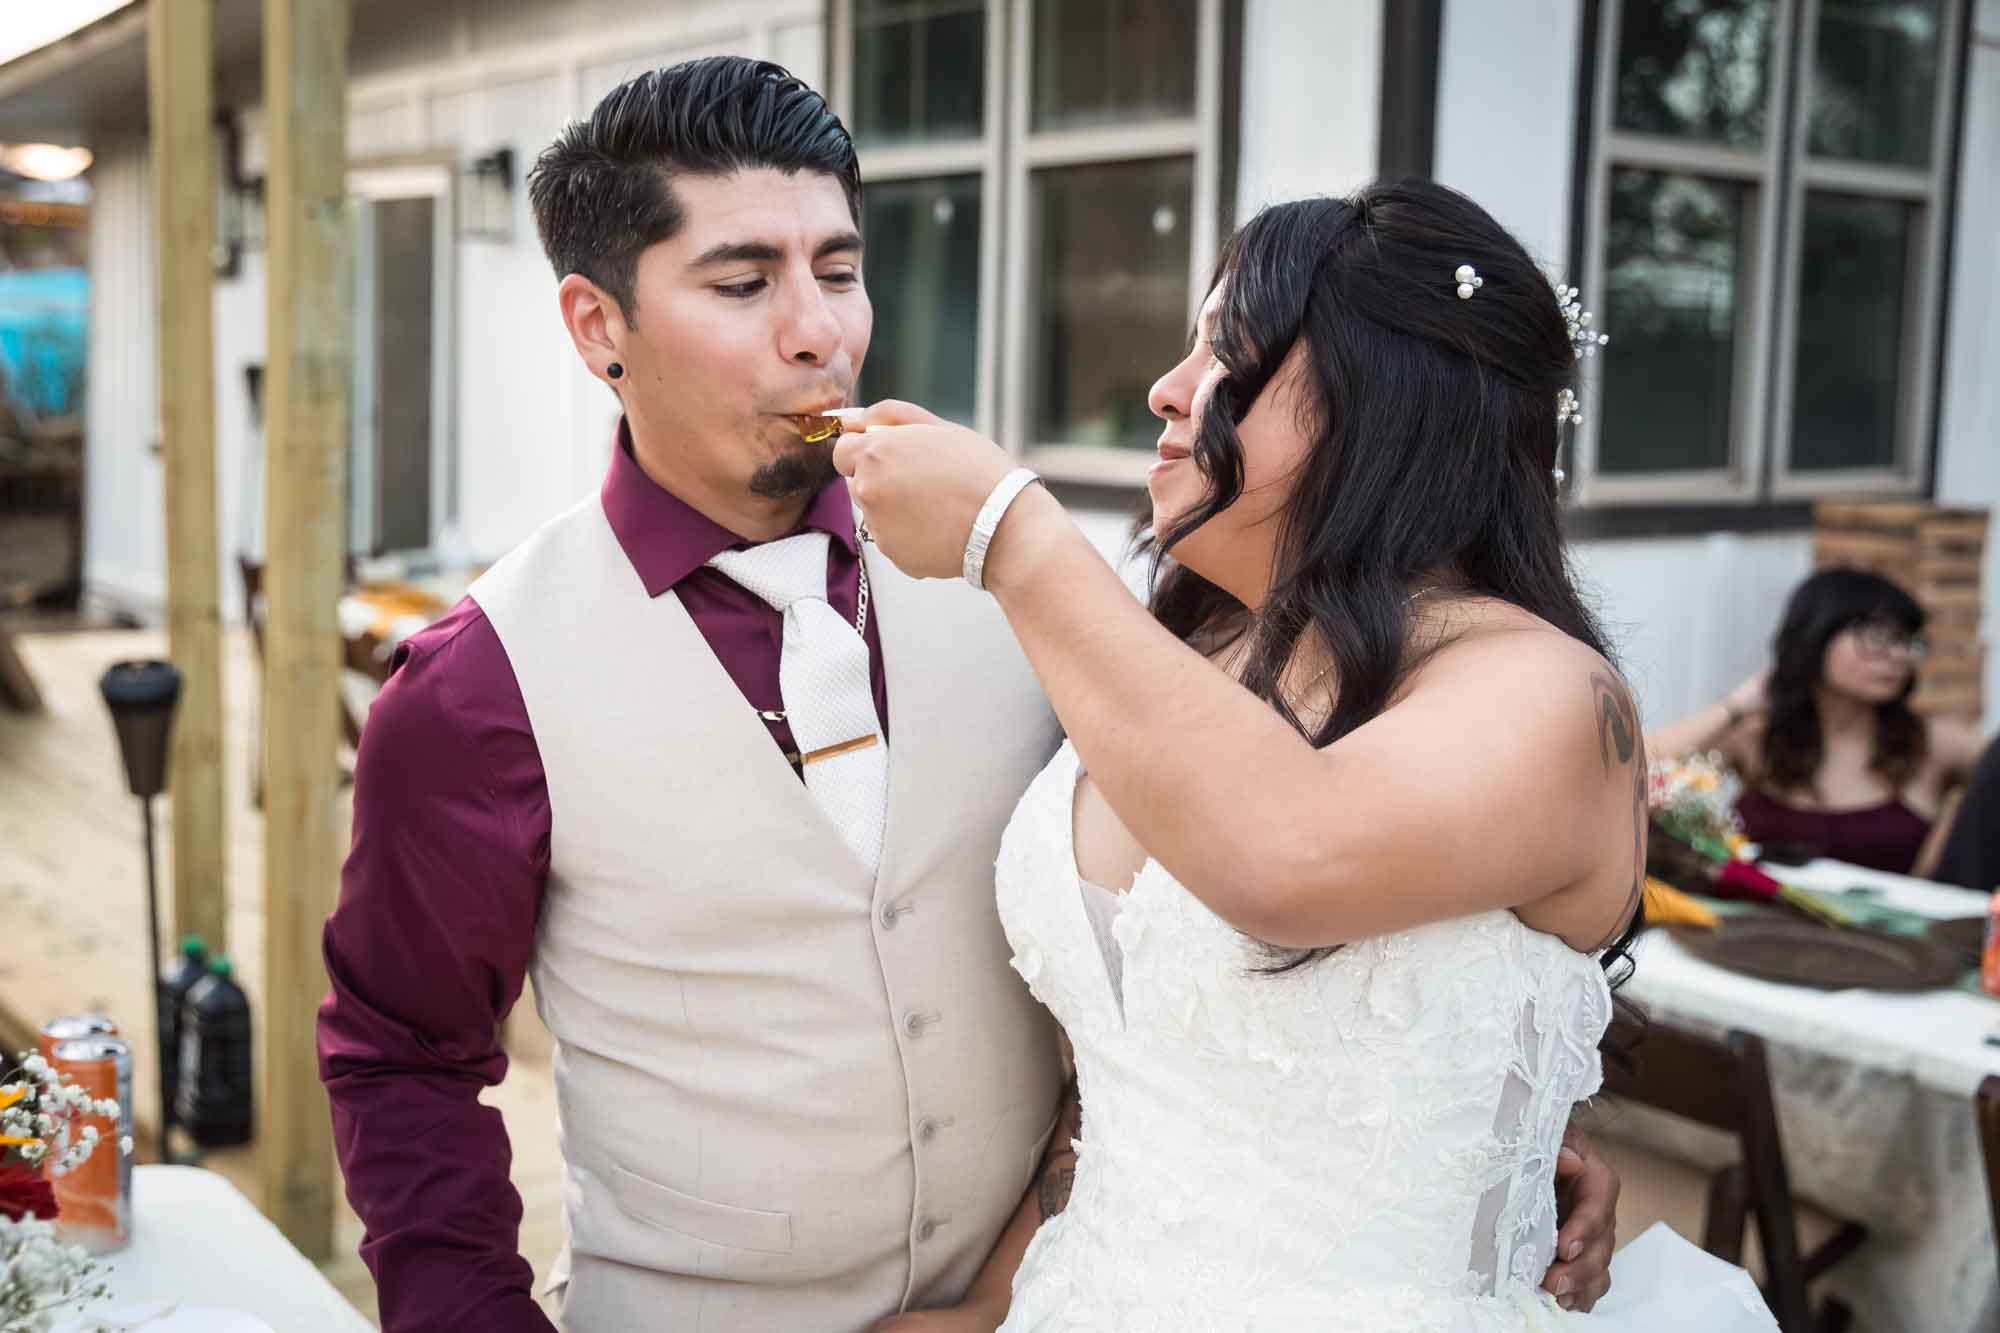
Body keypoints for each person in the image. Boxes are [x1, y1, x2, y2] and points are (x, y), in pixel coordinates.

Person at [316, 60, 1621, 1332]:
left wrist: (1482, 1139)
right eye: (743, 281)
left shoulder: (1054, 606)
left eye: (837, 270)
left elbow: (1264, 904)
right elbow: (400, 1058)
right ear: (600, 324)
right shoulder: (480, 685)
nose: (818, 330)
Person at [832, 180, 1774, 1328]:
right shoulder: (1192, 650)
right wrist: (985, 1304)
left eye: (1224, 352)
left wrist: (1010, 533)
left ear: (1387, 403)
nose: (1165, 392)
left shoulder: (1548, 696)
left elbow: (1285, 857)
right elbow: (1143, 1085)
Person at [1649, 569, 1986, 875]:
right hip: (1754, 933)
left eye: (1906, 640)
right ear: (1816, 634)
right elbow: (1640, 768)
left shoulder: (1934, 743)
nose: (1899, 655)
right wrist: (1736, 704)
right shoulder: (1758, 738)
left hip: (1888, 940)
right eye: (1878, 636)